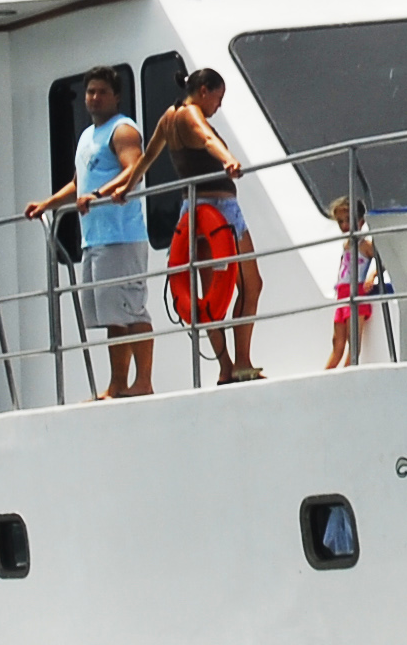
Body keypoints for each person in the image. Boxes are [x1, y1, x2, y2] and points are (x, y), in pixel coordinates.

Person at [121, 66, 265, 380]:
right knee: (250, 284)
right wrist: (227, 158)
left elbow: (147, 159)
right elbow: (206, 137)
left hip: (191, 213)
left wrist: (126, 188)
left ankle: (226, 368)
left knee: (209, 293)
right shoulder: (190, 115)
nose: (219, 105)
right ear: (203, 91)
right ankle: (241, 362)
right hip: (219, 208)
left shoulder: (168, 118)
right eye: (218, 97)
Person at [24, 66, 155, 398]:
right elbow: (77, 183)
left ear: (116, 96)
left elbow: (134, 170)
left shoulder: (122, 131)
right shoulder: (87, 136)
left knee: (131, 309)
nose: (94, 98)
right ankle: (117, 384)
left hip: (122, 235)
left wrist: (97, 196)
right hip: (94, 238)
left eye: (101, 92)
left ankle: (143, 382)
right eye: (90, 92)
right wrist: (47, 204)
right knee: (113, 316)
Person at [323, 196, 381, 370]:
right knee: (337, 341)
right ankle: (327, 373)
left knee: (352, 339)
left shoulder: (365, 245)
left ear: (361, 222)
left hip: (356, 293)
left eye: (348, 220)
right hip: (342, 294)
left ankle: (347, 371)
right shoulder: (347, 244)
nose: (344, 225)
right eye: (340, 221)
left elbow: (383, 259)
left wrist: (372, 276)